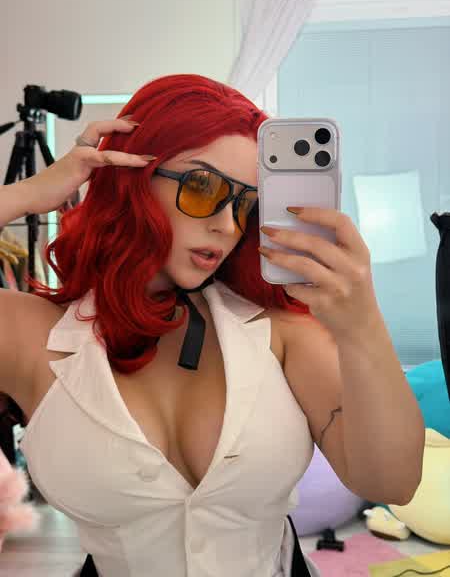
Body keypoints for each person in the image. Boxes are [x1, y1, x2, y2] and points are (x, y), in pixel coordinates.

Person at [0, 74, 424, 577]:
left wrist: (363, 324)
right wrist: (30, 192)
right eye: (202, 187)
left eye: (245, 203)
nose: (227, 224)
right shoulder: (32, 336)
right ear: (132, 174)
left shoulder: (282, 331)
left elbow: (392, 483)